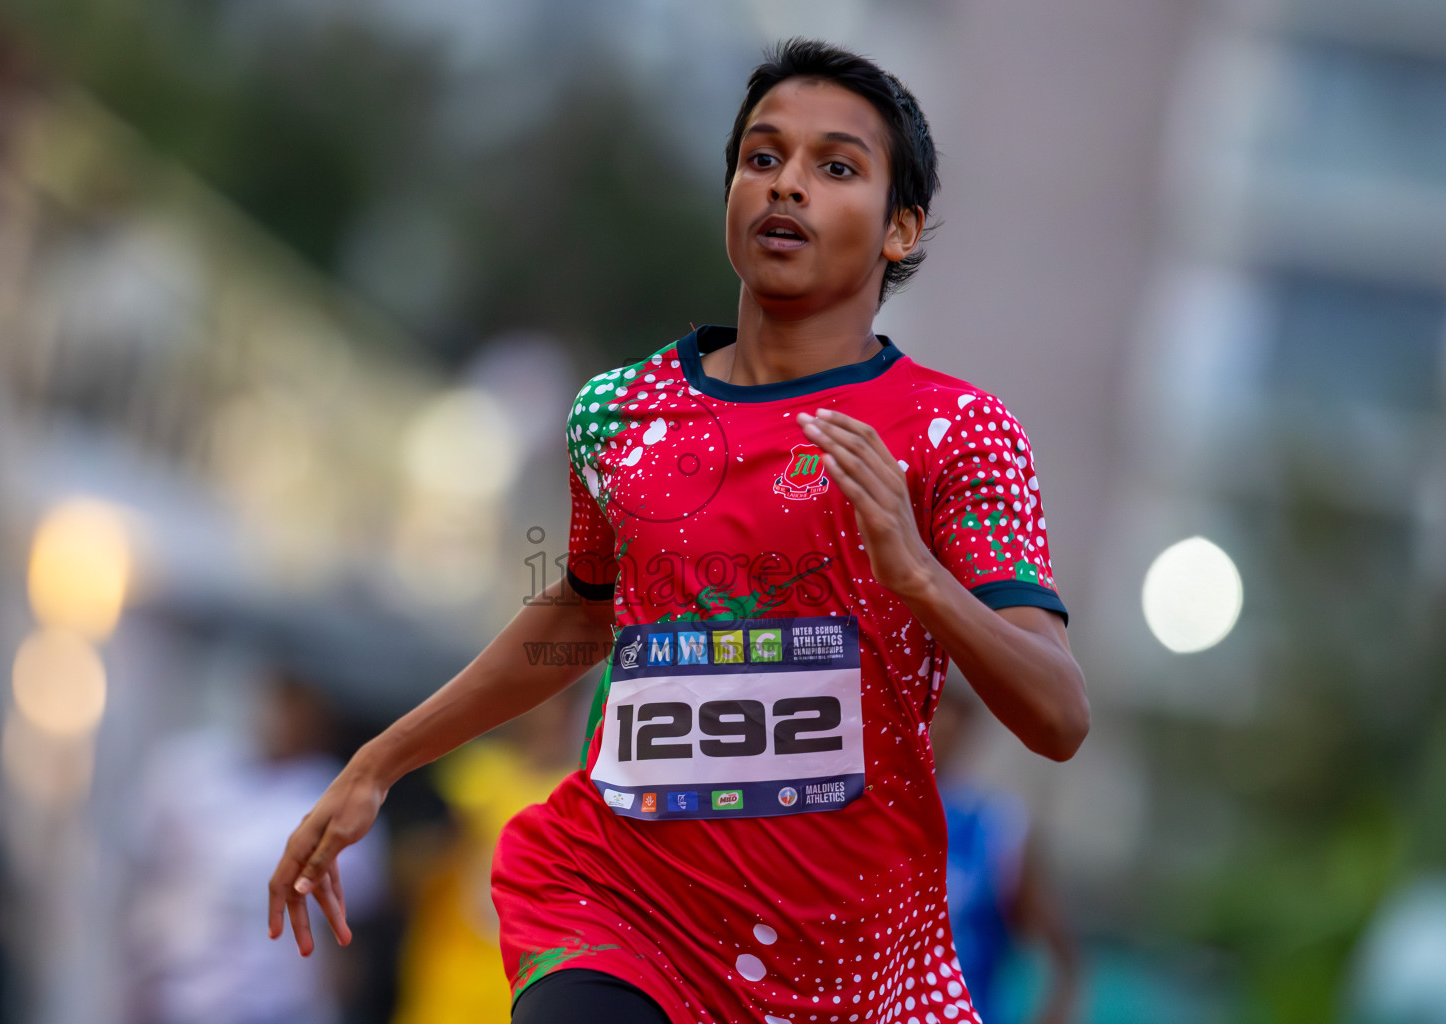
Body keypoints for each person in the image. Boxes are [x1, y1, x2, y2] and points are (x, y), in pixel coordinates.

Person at [268, 38, 1089, 1024]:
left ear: (899, 229)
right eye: (762, 156)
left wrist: (916, 576)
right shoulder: (620, 414)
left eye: (836, 167)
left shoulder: (959, 431)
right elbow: (576, 617)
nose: (787, 185)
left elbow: (1057, 715)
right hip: (620, 903)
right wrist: (380, 760)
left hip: (844, 968)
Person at [128, 668, 386, 1024]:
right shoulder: (194, 765)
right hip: (180, 991)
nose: (280, 720)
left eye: (297, 709)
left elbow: (353, 921)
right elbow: (147, 869)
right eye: (278, 703)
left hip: (273, 1000)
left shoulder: (336, 799)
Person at [931, 682, 1081, 1024]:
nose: (940, 733)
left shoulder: (997, 827)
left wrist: (1055, 1012)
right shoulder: (871, 814)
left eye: (955, 720)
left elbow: (1059, 951)